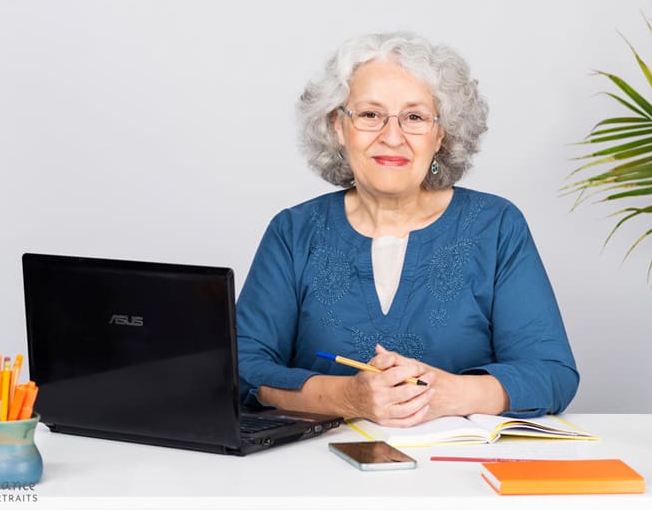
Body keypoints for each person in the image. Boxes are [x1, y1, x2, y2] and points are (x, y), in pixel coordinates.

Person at [237, 32, 578, 427]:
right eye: (369, 115)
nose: (392, 136)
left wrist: (446, 393)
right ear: (337, 127)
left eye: (415, 117)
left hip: (462, 476)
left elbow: (553, 374)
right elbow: (243, 366)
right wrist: (347, 397)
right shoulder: (293, 231)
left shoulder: (496, 226)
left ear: (441, 134)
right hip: (319, 471)